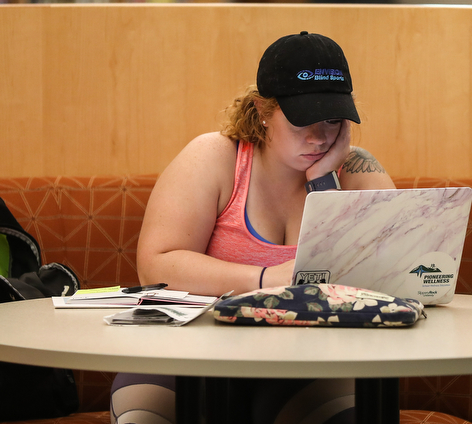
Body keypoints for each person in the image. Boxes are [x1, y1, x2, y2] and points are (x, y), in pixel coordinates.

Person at [110, 31, 395, 424]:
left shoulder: (357, 170)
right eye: (301, 121)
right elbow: (155, 265)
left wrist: (324, 185)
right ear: (263, 110)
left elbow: (394, 276)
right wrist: (265, 278)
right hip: (193, 353)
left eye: (331, 120)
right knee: (143, 418)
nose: (318, 138)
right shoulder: (216, 156)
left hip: (309, 361)